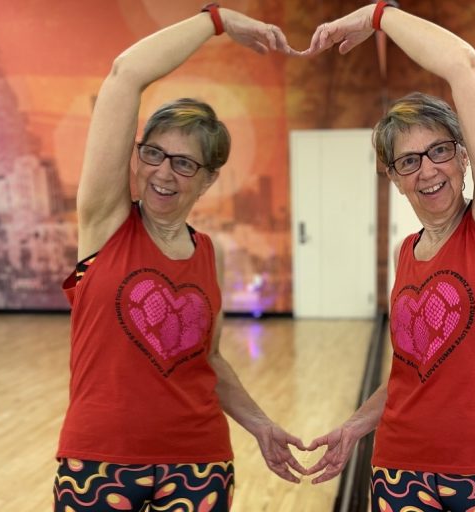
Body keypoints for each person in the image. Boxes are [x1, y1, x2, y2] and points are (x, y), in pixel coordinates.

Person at [302, 3, 475, 511]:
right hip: (400, 472)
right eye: (408, 161)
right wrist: (355, 425)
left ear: (465, 156)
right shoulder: (407, 254)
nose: (427, 170)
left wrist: (379, 15)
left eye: (439, 151)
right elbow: (411, 372)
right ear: (394, 179)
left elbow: (464, 66)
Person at [53, 6, 306, 511]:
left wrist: (260, 425)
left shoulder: (208, 255)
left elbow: (207, 361)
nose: (163, 173)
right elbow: (126, 74)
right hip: (100, 459)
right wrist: (215, 21)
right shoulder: (106, 223)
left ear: (210, 178)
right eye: (153, 154)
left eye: (185, 163)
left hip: (198, 463)